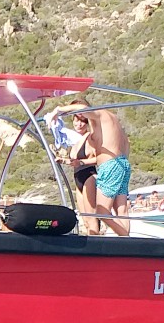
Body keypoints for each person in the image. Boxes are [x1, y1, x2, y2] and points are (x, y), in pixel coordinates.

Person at [53, 101, 130, 236]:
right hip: (122, 164)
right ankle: (129, 245)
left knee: (101, 212)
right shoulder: (114, 120)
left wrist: (58, 110)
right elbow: (126, 145)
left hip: (110, 165)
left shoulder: (100, 115)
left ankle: (126, 237)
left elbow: (82, 108)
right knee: (121, 210)